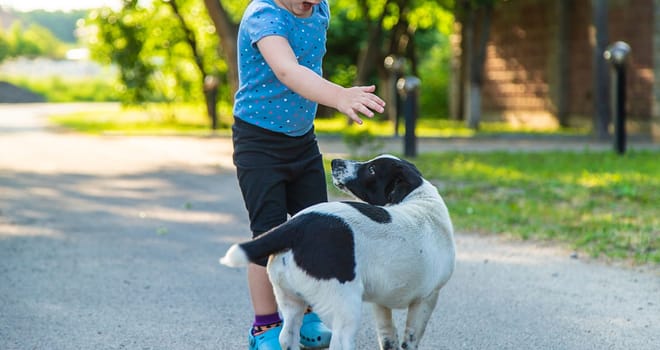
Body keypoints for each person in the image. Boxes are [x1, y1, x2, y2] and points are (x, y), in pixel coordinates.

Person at [231, 0, 385, 349]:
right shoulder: (264, 15)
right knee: (269, 235)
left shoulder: (320, 10)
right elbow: (288, 71)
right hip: (258, 142)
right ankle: (265, 328)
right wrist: (338, 95)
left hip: (302, 140)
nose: (310, 1)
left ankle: (308, 315)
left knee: (315, 230)